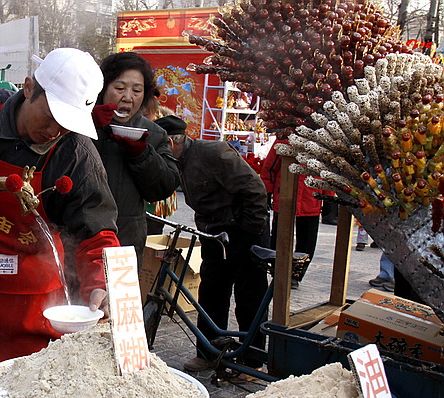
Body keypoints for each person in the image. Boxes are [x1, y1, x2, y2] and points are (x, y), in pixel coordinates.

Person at [0, 48, 121, 367]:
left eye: (67, 124)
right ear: (29, 87)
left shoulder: (76, 155)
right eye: (51, 116)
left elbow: (96, 233)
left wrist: (101, 284)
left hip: (30, 305)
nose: (55, 132)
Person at [155, 115, 269, 372]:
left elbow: (255, 190)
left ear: (171, 143)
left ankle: (252, 360)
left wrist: (247, 232)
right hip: (215, 234)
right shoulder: (178, 163)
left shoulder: (214, 152)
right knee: (211, 293)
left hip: (246, 231)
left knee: (250, 297)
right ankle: (208, 353)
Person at [90, 52, 180, 267]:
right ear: (102, 89)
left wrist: (141, 153)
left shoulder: (155, 134)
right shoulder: (78, 123)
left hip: (125, 240)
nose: (128, 97)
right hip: (79, 236)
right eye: (120, 88)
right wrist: (87, 124)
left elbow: (163, 188)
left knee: (117, 300)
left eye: (137, 90)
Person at [260, 139, 327, 289]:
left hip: (311, 199)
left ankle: (296, 275)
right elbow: (270, 168)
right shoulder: (285, 139)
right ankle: (278, 271)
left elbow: (328, 172)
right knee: (278, 239)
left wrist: (328, 198)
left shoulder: (323, 142)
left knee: (307, 242)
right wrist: (267, 192)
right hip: (284, 197)